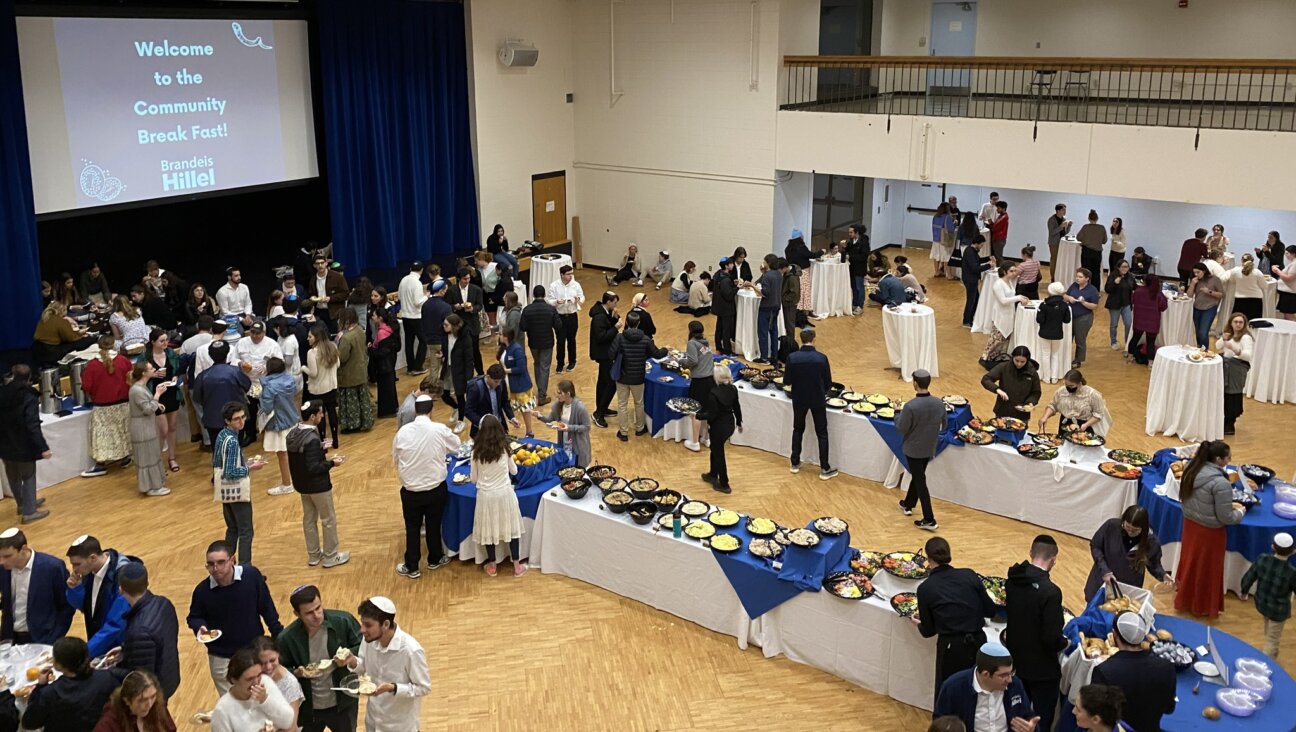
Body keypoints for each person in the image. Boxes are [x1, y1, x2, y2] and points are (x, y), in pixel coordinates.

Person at [186, 539, 282, 711]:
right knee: (234, 706)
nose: (215, 569)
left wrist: (278, 637)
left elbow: (266, 607)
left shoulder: (251, 576)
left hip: (253, 651)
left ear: (233, 560)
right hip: (221, 656)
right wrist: (200, 627)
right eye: (210, 564)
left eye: (221, 562)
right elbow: (194, 617)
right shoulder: (202, 591)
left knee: (262, 698)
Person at [918, 536, 999, 704]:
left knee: (948, 696)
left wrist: (918, 623)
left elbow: (928, 631)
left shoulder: (926, 588)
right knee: (976, 695)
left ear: (928, 558)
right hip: (978, 644)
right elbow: (990, 610)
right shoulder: (968, 575)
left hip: (951, 649)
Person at [277, 585, 363, 732]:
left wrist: (348, 656)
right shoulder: (287, 638)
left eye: (318, 608)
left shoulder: (343, 621)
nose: (316, 615)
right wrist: (296, 673)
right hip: (308, 708)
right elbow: (278, 670)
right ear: (297, 614)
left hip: (343, 703)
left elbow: (364, 646)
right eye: (309, 613)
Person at [392, 396, 461, 578]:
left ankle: (412, 565)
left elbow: (396, 459)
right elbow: (457, 446)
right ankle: (435, 558)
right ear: (432, 411)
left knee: (412, 527)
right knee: (434, 524)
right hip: (435, 489)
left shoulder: (403, 432)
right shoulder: (439, 429)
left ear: (415, 410)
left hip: (410, 491)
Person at [1174, 440, 1244, 618]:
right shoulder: (1221, 484)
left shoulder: (1191, 468)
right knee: (1207, 569)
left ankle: (1186, 598)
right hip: (1210, 533)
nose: (1230, 460)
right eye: (1228, 457)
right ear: (1219, 459)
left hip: (1190, 526)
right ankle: (1202, 605)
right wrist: (1241, 512)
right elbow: (1226, 516)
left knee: (1190, 562)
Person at [1005, 535, 1066, 732]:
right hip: (1042, 670)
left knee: (1017, 717)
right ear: (1054, 560)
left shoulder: (1012, 580)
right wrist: (1064, 642)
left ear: (1031, 553)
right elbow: (1051, 638)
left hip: (1016, 661)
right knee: (1041, 720)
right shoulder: (1051, 592)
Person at [343, 597, 430, 732]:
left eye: (368, 625)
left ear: (385, 624)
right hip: (373, 722)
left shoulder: (411, 651)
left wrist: (393, 688)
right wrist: (353, 662)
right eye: (362, 624)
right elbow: (363, 668)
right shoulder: (368, 641)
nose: (362, 630)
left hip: (400, 727)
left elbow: (423, 687)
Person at [287, 401, 351, 568]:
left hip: (302, 485)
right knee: (328, 519)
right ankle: (331, 556)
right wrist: (332, 463)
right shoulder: (312, 439)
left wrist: (320, 448)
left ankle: (314, 555)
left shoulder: (293, 433)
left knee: (309, 520)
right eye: (321, 414)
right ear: (313, 416)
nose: (323, 416)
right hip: (318, 486)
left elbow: (303, 458)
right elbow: (314, 467)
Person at [1089, 612, 1176, 732]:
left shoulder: (1104, 671)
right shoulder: (1167, 668)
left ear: (1114, 636)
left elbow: (1097, 716)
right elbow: (1169, 708)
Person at [21, 636, 130, 732]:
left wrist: (40, 686)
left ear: (57, 664)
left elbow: (29, 723)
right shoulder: (107, 678)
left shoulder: (50, 693)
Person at [933, 642, 1039, 732]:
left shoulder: (1015, 685)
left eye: (1011, 673)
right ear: (986, 674)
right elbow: (940, 724)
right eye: (1003, 675)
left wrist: (1031, 728)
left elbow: (1027, 716)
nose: (1010, 679)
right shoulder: (953, 687)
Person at [469, 415, 526, 576]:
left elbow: (473, 478)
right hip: (505, 493)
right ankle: (517, 566)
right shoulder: (504, 449)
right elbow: (514, 470)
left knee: (488, 530)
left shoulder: (476, 452)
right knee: (512, 529)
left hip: (486, 497)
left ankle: (493, 565)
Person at [113, 561, 180, 697]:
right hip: (170, 676)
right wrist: (126, 649)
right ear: (147, 583)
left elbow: (139, 677)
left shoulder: (140, 630)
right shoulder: (164, 603)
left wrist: (109, 671)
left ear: (121, 590)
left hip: (153, 693)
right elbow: (158, 642)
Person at [66, 535, 136, 660]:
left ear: (92, 558)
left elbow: (116, 624)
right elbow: (86, 607)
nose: (74, 570)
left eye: (77, 564)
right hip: (100, 644)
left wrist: (85, 653)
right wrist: (75, 589)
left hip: (117, 651)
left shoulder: (122, 576)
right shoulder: (89, 571)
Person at [0, 528, 74, 643]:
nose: (2, 561)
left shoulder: (52, 567)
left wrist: (54, 638)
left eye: (7, 556)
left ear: (23, 549)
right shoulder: (3, 569)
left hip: (42, 639)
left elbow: (66, 606)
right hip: (10, 639)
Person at [213, 403, 265, 563]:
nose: (241, 422)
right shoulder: (233, 442)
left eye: (243, 417)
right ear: (227, 421)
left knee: (233, 529)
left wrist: (244, 464)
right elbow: (230, 473)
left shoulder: (222, 435)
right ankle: (244, 568)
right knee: (245, 532)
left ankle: (224, 562)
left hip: (224, 493)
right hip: (236, 493)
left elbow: (218, 462)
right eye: (236, 419)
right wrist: (250, 468)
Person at [1083, 505, 1169, 601]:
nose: (1130, 532)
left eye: (1135, 530)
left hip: (1127, 590)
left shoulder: (1151, 542)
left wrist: (1163, 575)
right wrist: (1105, 570)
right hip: (1101, 583)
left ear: (1143, 528)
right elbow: (1096, 546)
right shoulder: (1111, 526)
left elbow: (1154, 564)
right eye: (1127, 527)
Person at [0, 366, 53, 522]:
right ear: (30, 377)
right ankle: (29, 512)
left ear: (13, 375)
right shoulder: (28, 396)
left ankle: (22, 504)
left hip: (4, 442)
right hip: (23, 442)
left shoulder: (2, 392)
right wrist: (43, 447)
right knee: (28, 476)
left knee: (13, 475)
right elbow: (32, 425)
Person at [896, 370, 946, 530]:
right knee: (918, 476)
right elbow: (944, 425)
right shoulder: (939, 403)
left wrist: (897, 412)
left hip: (913, 448)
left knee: (920, 480)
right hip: (930, 446)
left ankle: (929, 518)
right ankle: (908, 504)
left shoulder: (910, 406)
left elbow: (901, 428)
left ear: (915, 383)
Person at [79, 335, 135, 478]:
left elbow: (86, 386)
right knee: (122, 431)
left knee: (102, 436)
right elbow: (131, 378)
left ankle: (100, 464)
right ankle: (125, 458)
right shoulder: (123, 361)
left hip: (102, 406)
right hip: (123, 403)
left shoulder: (92, 365)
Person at [785, 327, 837, 480]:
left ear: (801, 339)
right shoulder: (821, 358)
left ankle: (794, 463)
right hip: (817, 399)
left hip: (799, 398)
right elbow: (828, 383)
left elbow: (787, 381)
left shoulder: (792, 358)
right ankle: (824, 468)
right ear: (814, 340)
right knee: (822, 433)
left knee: (797, 429)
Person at [607, 311, 667, 441]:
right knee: (639, 403)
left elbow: (611, 354)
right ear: (638, 323)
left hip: (622, 377)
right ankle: (640, 428)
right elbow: (657, 354)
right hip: (638, 378)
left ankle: (623, 432)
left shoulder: (619, 338)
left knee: (622, 404)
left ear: (627, 323)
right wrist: (665, 350)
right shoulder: (645, 339)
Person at [209, 647, 295, 732]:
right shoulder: (222, 710)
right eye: (249, 679)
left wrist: (266, 700)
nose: (256, 682)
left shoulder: (265, 682)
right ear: (234, 680)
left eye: (258, 675)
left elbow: (288, 721)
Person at [1240, 532, 1296, 658]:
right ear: (1293, 551)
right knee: (1272, 640)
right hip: (1278, 611)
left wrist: (1244, 591)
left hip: (1262, 603)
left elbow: (1249, 577)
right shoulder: (1291, 572)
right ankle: (1267, 663)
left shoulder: (1262, 559)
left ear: (1273, 547)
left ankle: (1273, 653)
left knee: (1269, 629)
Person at [192, 342, 251, 446]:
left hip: (213, 419)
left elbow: (197, 398)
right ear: (228, 353)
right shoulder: (236, 372)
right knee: (237, 448)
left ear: (210, 355)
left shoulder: (202, 376)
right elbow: (247, 386)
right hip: (236, 418)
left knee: (218, 452)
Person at [127, 362, 172, 497]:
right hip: (142, 428)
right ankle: (152, 487)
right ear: (143, 373)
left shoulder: (141, 387)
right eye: (151, 368)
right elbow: (147, 409)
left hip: (146, 426)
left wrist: (157, 404)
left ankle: (156, 483)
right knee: (148, 457)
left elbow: (147, 405)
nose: (154, 369)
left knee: (152, 455)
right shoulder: (137, 390)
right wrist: (157, 395)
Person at [142, 330, 182, 471]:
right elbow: (139, 376)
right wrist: (152, 375)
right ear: (153, 342)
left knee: (172, 427)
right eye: (162, 341)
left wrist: (176, 378)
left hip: (171, 392)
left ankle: (172, 458)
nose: (165, 343)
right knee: (163, 430)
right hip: (156, 395)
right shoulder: (145, 356)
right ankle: (156, 460)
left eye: (166, 340)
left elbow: (177, 369)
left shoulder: (171, 353)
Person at [261, 357, 301, 495]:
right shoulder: (290, 380)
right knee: (294, 452)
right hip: (292, 419)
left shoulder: (269, 387)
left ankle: (287, 484)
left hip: (278, 423)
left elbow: (266, 408)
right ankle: (297, 479)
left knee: (282, 455)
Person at [92, 669, 177, 732]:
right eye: (142, 700)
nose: (149, 704)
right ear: (127, 700)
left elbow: (170, 728)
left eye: (153, 696)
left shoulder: (157, 705)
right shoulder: (109, 724)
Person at [250, 637, 304, 730]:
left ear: (278, 655)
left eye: (272, 660)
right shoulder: (250, 678)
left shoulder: (290, 684)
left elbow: (290, 728)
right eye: (262, 663)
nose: (268, 667)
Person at [679, 321, 716, 452]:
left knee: (696, 412)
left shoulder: (692, 343)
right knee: (707, 410)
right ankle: (706, 438)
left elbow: (693, 361)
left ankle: (694, 442)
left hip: (699, 381)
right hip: (710, 379)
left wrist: (681, 361)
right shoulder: (705, 341)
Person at [983, 263, 1030, 367]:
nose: (1014, 273)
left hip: (1009, 314)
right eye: (1011, 271)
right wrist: (1018, 298)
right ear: (1004, 272)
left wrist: (1021, 297)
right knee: (997, 339)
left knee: (1005, 339)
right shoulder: (998, 284)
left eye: (1014, 271)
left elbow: (1011, 297)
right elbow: (1003, 301)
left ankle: (999, 358)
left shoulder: (1009, 282)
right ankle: (987, 358)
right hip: (1000, 315)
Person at [522, 285, 562, 405]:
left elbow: (523, 327)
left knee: (537, 364)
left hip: (533, 342)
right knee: (544, 367)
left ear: (533, 295)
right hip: (547, 342)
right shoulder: (550, 309)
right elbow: (558, 326)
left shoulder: (527, 309)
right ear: (544, 295)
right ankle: (542, 395)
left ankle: (540, 390)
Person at [335, 309, 373, 433]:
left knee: (351, 401)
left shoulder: (346, 338)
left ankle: (352, 425)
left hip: (349, 374)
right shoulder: (360, 330)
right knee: (362, 399)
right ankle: (365, 421)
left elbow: (342, 357)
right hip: (361, 371)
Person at [303, 324, 341, 448]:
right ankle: (335, 440)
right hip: (332, 386)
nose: (307, 338)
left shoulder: (311, 353)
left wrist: (303, 368)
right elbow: (338, 364)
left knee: (321, 415)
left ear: (317, 337)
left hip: (318, 389)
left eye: (310, 336)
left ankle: (324, 441)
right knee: (332, 412)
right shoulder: (333, 346)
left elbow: (313, 373)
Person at [1038, 369, 1107, 436]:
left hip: (1084, 426)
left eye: (1071, 386)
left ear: (1079, 384)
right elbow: (1053, 405)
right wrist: (1045, 417)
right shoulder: (1061, 391)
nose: (1068, 388)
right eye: (1066, 385)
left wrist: (1086, 425)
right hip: (1065, 425)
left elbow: (1098, 414)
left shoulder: (1092, 394)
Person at [588, 291, 621, 427]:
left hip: (605, 353)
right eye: (614, 302)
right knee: (610, 383)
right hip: (603, 353)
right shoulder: (599, 317)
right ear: (608, 302)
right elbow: (602, 336)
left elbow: (607, 327)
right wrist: (616, 328)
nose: (616, 305)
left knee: (602, 381)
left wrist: (614, 318)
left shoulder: (604, 314)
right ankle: (599, 413)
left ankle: (602, 408)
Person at [1218, 312, 1254, 435]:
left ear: (1244, 324)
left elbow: (1248, 356)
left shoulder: (1246, 338)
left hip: (1237, 369)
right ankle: (1222, 422)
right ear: (1231, 323)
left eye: (1241, 322)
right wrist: (1224, 339)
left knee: (1232, 395)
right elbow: (1218, 346)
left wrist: (1234, 349)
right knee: (1224, 394)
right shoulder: (1229, 334)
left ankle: (1229, 424)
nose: (1238, 324)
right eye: (1235, 322)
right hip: (1226, 366)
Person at [982, 347, 1041, 419]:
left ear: (1027, 360)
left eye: (1022, 362)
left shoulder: (1032, 372)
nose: (1019, 364)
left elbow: (1036, 392)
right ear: (1013, 357)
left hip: (1022, 414)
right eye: (1017, 360)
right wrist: (998, 390)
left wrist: (1030, 402)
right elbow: (986, 379)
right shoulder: (1004, 367)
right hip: (1003, 410)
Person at [447, 267, 487, 375]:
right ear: (459, 279)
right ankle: (464, 374)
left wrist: (473, 309)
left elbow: (480, 305)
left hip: (473, 325)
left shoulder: (476, 290)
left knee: (475, 351)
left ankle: (480, 372)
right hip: (459, 326)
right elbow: (448, 305)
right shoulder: (451, 290)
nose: (467, 281)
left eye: (468, 278)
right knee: (460, 351)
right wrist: (455, 307)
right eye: (465, 279)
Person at [464, 364, 520, 438]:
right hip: (482, 432)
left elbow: (505, 402)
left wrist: (511, 417)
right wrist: (483, 423)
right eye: (496, 382)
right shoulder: (476, 388)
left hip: (499, 427)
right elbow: (468, 411)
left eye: (500, 382)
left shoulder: (501, 383)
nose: (498, 384)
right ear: (488, 376)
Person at [547, 265, 585, 373]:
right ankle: (560, 363)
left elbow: (582, 298)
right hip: (560, 316)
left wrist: (578, 299)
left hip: (572, 316)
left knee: (571, 340)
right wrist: (556, 302)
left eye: (571, 273)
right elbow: (549, 300)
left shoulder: (576, 285)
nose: (571, 276)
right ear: (562, 275)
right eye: (568, 274)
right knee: (560, 341)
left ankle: (572, 362)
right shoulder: (554, 285)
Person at [32, 301, 94, 366]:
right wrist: (84, 335)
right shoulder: (60, 321)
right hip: (51, 352)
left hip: (37, 349)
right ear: (63, 310)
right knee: (84, 341)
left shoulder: (44, 318)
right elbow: (72, 338)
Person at [499, 327, 535, 436]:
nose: (499, 336)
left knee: (525, 409)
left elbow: (521, 368)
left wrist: (506, 370)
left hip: (520, 384)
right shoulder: (505, 347)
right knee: (514, 407)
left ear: (505, 337)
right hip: (509, 382)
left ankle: (529, 431)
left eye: (501, 334)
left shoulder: (517, 349)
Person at [1031, 283, 1071, 382]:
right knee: (1055, 354)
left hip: (1044, 333)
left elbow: (1039, 320)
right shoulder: (1064, 305)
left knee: (1045, 354)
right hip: (1058, 333)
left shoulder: (1044, 305)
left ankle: (1046, 377)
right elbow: (1067, 320)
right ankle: (1054, 377)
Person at [441, 315, 473, 433]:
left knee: (460, 395)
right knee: (443, 393)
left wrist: (468, 378)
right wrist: (443, 355)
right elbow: (447, 350)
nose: (443, 327)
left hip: (460, 370)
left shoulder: (465, 337)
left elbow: (469, 359)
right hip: (448, 367)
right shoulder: (445, 335)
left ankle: (461, 421)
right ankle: (456, 408)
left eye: (446, 325)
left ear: (454, 326)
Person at [749, 254, 783, 364]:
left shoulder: (768, 276)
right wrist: (763, 272)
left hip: (766, 307)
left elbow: (764, 293)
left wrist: (752, 286)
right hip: (776, 305)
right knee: (773, 330)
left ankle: (764, 357)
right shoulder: (778, 274)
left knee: (763, 332)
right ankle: (774, 356)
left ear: (768, 263)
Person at [1127, 274, 1167, 365]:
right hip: (1153, 321)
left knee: (1135, 338)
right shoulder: (1158, 294)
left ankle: (1130, 358)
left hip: (1139, 320)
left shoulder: (1138, 291)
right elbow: (1163, 307)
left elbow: (1132, 301)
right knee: (1150, 342)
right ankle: (1150, 363)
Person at [1063, 269, 1100, 368]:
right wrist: (1069, 298)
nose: (1077, 278)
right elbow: (1065, 295)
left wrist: (1084, 303)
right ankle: (1065, 357)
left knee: (1080, 339)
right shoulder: (1074, 285)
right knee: (1068, 337)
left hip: (1084, 318)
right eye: (1077, 276)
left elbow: (1094, 306)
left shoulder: (1092, 290)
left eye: (1080, 277)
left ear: (1087, 278)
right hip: (1071, 316)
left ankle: (1078, 360)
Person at [368, 310, 401, 418]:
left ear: (380, 318)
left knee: (385, 388)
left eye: (374, 315)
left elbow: (382, 351)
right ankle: (393, 406)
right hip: (389, 364)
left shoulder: (382, 332)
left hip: (383, 365)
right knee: (390, 387)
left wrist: (371, 350)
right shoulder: (389, 329)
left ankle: (388, 410)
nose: (372, 317)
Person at [955, 235, 991, 328]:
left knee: (975, 299)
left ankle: (971, 318)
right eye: (982, 245)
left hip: (971, 279)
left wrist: (988, 258)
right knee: (971, 300)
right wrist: (989, 265)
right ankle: (967, 321)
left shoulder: (971, 251)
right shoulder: (970, 252)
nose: (982, 247)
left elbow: (978, 261)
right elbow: (975, 268)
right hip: (970, 279)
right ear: (977, 244)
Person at [1187, 261, 1223, 348]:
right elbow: (1189, 295)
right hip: (1197, 307)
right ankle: (1200, 348)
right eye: (1194, 272)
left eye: (1198, 272)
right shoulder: (1195, 280)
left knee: (1203, 332)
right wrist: (1192, 284)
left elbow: (1221, 294)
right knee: (1197, 331)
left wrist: (1209, 292)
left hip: (1210, 308)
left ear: (1204, 271)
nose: (1196, 274)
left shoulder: (1215, 279)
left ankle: (1205, 351)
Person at [308, 255, 349, 331]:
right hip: (319, 312)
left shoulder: (337, 277)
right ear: (314, 265)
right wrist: (313, 297)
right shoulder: (313, 279)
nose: (320, 265)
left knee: (333, 336)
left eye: (322, 263)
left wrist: (330, 298)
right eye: (317, 263)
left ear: (326, 263)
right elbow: (311, 293)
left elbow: (345, 294)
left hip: (334, 313)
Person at [1101, 260, 1135, 352]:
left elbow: (1134, 287)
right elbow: (1107, 289)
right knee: (1114, 325)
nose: (1125, 269)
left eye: (1127, 267)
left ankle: (1127, 343)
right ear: (1118, 267)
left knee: (1128, 324)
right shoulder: (1112, 276)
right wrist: (1115, 283)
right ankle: (1113, 342)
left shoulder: (1130, 277)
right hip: (1114, 305)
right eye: (1123, 267)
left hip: (1126, 304)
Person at [1223, 253, 1268, 322]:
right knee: (1254, 322)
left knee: (1238, 322)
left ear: (1241, 260)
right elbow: (1264, 286)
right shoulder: (1257, 272)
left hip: (1240, 299)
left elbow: (1232, 280)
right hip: (1256, 300)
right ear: (1252, 261)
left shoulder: (1235, 270)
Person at [711, 258, 738, 353]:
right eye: (731, 264)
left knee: (719, 327)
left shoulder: (718, 275)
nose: (733, 265)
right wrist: (737, 288)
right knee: (726, 329)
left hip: (719, 307)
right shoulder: (725, 280)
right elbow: (729, 295)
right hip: (726, 308)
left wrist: (733, 285)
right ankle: (727, 350)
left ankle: (718, 346)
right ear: (726, 266)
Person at [1075, 209, 1107, 278]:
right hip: (1097, 253)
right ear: (1097, 218)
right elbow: (1104, 241)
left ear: (1088, 218)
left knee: (1085, 272)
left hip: (1086, 252)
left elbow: (1078, 237)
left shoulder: (1085, 227)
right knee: (1096, 272)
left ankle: (1085, 287)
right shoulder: (1102, 228)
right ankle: (1095, 288)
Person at [1046, 204, 1073, 284]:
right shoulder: (1051, 220)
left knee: (1060, 260)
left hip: (1062, 243)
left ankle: (1059, 276)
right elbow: (1052, 233)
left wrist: (1069, 226)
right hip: (1054, 243)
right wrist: (1061, 226)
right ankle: (1053, 277)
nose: (1065, 212)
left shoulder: (1064, 219)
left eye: (1065, 210)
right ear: (1058, 211)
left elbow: (1065, 232)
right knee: (1054, 260)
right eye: (1063, 210)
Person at [930, 202, 957, 277]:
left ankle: (936, 271)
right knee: (945, 256)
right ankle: (948, 274)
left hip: (935, 239)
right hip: (943, 240)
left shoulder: (935, 216)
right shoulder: (947, 217)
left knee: (936, 256)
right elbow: (951, 229)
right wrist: (955, 223)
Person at [1275, 244, 1296, 321]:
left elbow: (1289, 278)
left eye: (1287, 253)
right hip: (1287, 292)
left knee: (1289, 315)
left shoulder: (1295, 264)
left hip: (1290, 293)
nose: (1285, 255)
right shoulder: (1292, 263)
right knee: (1286, 315)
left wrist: (1277, 271)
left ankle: (1292, 331)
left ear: (1293, 253)